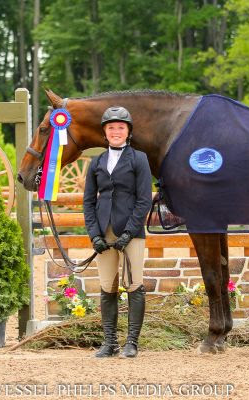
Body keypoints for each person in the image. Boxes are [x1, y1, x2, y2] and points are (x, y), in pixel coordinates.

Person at [83, 106, 152, 358]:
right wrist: (94, 235)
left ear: (128, 131)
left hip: (131, 232)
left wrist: (129, 232)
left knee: (134, 285)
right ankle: (109, 342)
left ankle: (131, 342)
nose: (115, 131)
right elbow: (88, 202)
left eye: (120, 127)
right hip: (104, 232)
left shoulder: (139, 159)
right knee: (107, 286)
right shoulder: (96, 162)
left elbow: (144, 200)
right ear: (105, 131)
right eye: (111, 128)